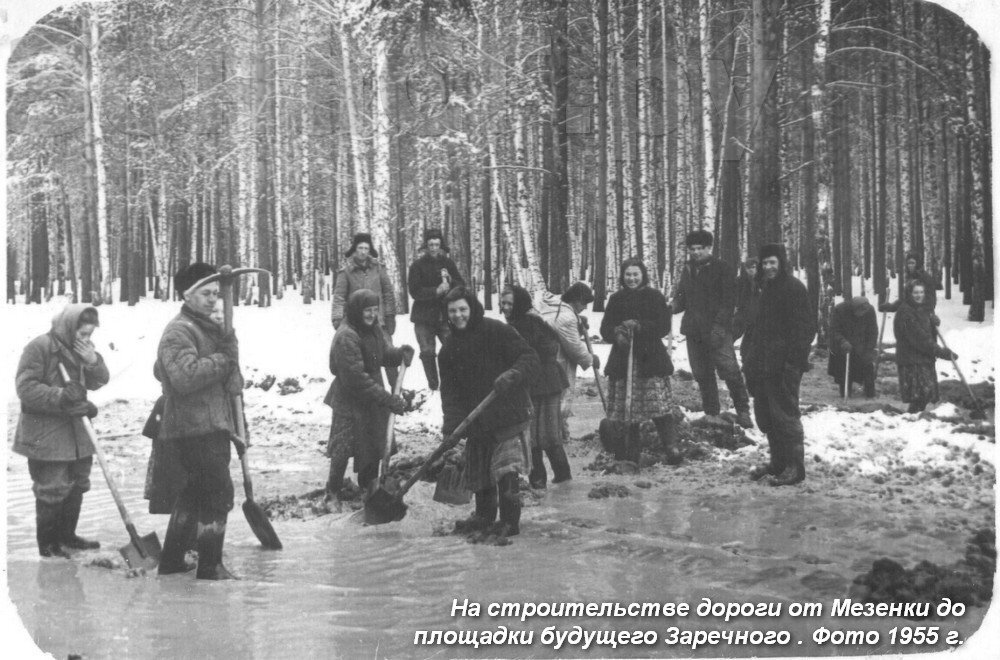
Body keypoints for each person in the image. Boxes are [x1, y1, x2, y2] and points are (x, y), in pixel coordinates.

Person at [153, 263, 244, 579]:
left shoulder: (209, 329)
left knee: (193, 493)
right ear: (186, 295)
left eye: (216, 294)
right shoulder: (179, 331)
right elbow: (185, 377)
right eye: (205, 293)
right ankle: (209, 566)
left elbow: (232, 383)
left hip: (211, 424)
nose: (213, 300)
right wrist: (223, 359)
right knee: (218, 493)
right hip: (193, 428)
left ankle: (172, 561)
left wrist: (231, 355)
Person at [439, 287, 539, 537]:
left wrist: (513, 374)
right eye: (452, 311)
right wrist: (450, 428)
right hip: (477, 420)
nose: (458, 315)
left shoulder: (495, 331)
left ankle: (509, 522)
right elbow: (450, 393)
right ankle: (484, 517)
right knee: (480, 471)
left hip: (508, 414)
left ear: (472, 308)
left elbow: (529, 357)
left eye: (463, 309)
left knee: (506, 470)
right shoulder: (448, 349)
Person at [14, 305, 108, 558]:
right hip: (47, 435)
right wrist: (61, 396)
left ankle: (67, 536)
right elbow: (26, 388)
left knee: (77, 484)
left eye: (90, 336)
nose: (87, 341)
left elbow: (100, 380)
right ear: (68, 328)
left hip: (78, 432)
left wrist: (93, 362)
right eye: (83, 335)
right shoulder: (40, 347)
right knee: (52, 489)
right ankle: (48, 544)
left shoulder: (82, 351)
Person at [324, 289, 413, 504]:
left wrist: (399, 353)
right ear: (356, 310)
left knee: (374, 443)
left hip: (372, 394)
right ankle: (332, 492)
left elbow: (382, 355)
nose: (372, 315)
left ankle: (370, 490)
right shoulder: (346, 336)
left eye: (375, 310)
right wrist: (388, 399)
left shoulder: (373, 329)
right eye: (367, 310)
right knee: (343, 447)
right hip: (350, 396)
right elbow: (355, 378)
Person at [741, 244, 816, 487]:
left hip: (784, 365)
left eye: (773, 262)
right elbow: (756, 328)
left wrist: (794, 363)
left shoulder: (794, 288)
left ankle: (795, 467)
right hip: (762, 364)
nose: (769, 267)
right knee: (767, 416)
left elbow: (805, 329)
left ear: (782, 263)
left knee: (785, 415)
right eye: (765, 263)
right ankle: (778, 463)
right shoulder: (764, 289)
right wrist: (749, 360)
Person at [600, 258, 682, 464]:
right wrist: (616, 333)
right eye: (628, 274)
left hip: (650, 358)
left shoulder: (654, 296)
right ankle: (628, 453)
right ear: (622, 276)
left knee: (659, 406)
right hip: (622, 359)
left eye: (636, 274)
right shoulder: (616, 298)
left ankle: (671, 447)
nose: (632, 278)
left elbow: (663, 326)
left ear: (643, 275)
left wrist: (640, 326)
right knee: (625, 409)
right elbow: (604, 328)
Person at [671, 230, 753, 429]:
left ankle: (742, 410)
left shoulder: (722, 268)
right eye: (692, 249)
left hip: (717, 329)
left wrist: (720, 327)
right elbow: (683, 297)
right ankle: (711, 412)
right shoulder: (687, 269)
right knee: (702, 373)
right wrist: (671, 306)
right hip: (693, 330)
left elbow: (728, 301)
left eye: (701, 248)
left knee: (729, 370)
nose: (696, 252)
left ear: (709, 248)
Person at [501, 285, 571, 488]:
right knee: (530, 435)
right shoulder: (512, 325)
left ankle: (562, 478)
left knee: (547, 435)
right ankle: (538, 480)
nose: (505, 308)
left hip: (546, 383)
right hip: (528, 385)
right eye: (503, 303)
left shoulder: (531, 323)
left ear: (520, 304)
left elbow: (550, 347)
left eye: (510, 304)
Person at [332, 232, 399, 384]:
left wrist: (390, 315)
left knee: (389, 356)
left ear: (370, 250)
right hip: (357, 324)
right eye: (360, 248)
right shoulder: (346, 272)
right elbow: (339, 297)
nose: (363, 252)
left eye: (366, 248)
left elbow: (388, 292)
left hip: (379, 321)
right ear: (354, 249)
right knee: (363, 360)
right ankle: (372, 395)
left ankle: (397, 392)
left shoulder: (378, 268)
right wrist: (337, 318)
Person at [538, 282, 599, 442]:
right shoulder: (566, 317)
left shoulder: (557, 305)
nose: (585, 307)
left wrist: (578, 321)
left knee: (552, 397)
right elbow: (574, 347)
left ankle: (560, 432)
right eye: (584, 303)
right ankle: (557, 435)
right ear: (576, 300)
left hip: (547, 358)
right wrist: (591, 359)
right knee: (563, 394)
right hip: (559, 360)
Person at [407, 228, 465, 390]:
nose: (433, 248)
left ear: (441, 245)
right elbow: (414, 291)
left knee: (452, 349)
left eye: (437, 244)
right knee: (427, 352)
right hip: (423, 318)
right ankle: (433, 386)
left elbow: (461, 284)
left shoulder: (448, 263)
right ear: (426, 246)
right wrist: (435, 291)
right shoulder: (417, 266)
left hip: (445, 316)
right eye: (431, 244)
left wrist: (451, 284)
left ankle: (453, 384)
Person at [894, 281, 957, 413]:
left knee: (925, 395)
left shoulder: (924, 308)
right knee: (920, 395)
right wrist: (942, 352)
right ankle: (912, 420)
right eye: (915, 292)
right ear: (909, 294)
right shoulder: (905, 312)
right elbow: (919, 338)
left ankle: (914, 419)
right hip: (911, 360)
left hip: (923, 357)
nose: (919, 295)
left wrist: (933, 320)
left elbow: (926, 331)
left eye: (921, 292)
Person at [827, 296, 878, 398]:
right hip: (843, 345)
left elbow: (873, 331)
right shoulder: (840, 310)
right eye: (860, 312)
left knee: (867, 366)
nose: (861, 315)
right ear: (854, 309)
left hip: (861, 344)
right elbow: (834, 330)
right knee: (844, 369)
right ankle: (845, 393)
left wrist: (869, 347)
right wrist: (842, 341)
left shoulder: (870, 310)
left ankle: (870, 395)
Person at [732, 258, 760, 342]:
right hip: (742, 312)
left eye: (753, 267)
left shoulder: (762, 280)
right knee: (734, 332)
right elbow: (734, 294)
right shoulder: (739, 280)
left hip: (757, 313)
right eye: (748, 268)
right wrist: (735, 305)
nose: (751, 270)